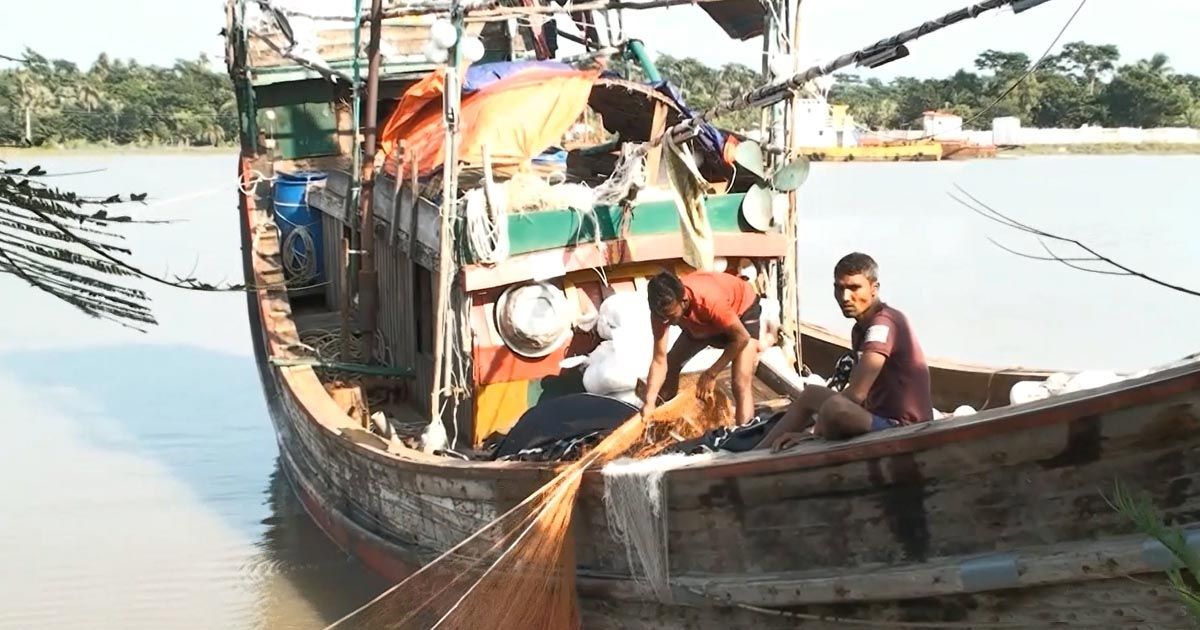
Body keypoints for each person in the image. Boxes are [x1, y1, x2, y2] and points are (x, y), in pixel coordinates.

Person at [757, 252, 932, 451]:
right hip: (876, 418)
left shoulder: (882, 325)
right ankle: (755, 455)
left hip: (903, 428)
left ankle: (812, 443)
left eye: (854, 288)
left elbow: (857, 393)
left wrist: (815, 434)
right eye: (839, 288)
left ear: (874, 289)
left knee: (834, 408)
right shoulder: (860, 329)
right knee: (811, 394)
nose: (845, 297)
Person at [642, 270, 761, 425]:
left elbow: (741, 338)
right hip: (704, 324)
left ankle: (744, 433)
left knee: (740, 382)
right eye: (662, 318)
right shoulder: (661, 313)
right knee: (671, 363)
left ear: (684, 301)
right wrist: (649, 401)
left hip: (742, 314)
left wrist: (711, 374)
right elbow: (659, 360)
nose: (667, 322)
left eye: (671, 316)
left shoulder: (709, 300)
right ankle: (663, 419)